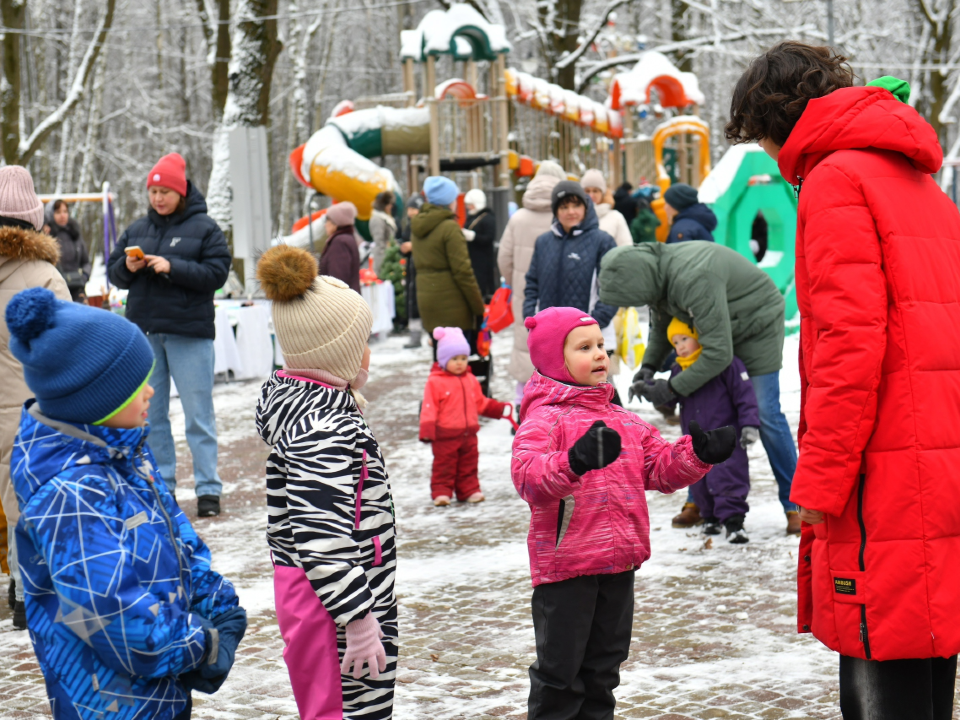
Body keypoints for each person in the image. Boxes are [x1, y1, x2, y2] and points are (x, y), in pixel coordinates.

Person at [727, 41, 960, 718]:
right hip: (936, 453)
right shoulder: (914, 178)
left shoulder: (836, 180)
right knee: (929, 641)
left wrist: (818, 485)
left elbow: (848, 348)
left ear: (777, 119)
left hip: (882, 467)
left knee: (881, 653)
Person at [6, 287, 246, 719]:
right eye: (137, 385)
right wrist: (200, 645)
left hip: (160, 688)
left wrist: (219, 604)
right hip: (110, 702)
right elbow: (114, 616)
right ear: (96, 399)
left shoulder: (124, 449)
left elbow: (177, 536)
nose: (152, 392)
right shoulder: (70, 492)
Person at [512, 306, 735, 720]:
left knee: (602, 672)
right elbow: (527, 477)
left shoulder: (623, 420)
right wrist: (574, 461)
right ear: (554, 360)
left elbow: (659, 467)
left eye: (601, 345)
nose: (600, 354)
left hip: (618, 566)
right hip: (566, 570)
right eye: (584, 348)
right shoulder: (544, 419)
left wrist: (698, 453)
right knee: (561, 676)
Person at [255, 244, 397, 719]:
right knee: (348, 712)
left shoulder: (312, 409)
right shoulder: (325, 431)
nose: (369, 354)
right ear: (336, 357)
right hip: (335, 611)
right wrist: (357, 619)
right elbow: (321, 537)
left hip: (331, 597)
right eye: (362, 343)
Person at [599, 240, 800, 535]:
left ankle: (796, 503)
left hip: (756, 327)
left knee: (765, 413)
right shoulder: (658, 278)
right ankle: (699, 501)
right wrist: (648, 368)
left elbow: (718, 354)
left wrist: (671, 389)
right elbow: (661, 326)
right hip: (715, 328)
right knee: (702, 415)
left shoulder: (694, 277)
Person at [107, 152, 231, 518]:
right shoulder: (135, 229)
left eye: (165, 191)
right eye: (153, 191)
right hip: (145, 333)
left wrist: (172, 266)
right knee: (152, 416)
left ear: (181, 191)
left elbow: (217, 275)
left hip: (189, 333)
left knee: (198, 414)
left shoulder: (206, 228)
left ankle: (208, 489)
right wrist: (128, 267)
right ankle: (164, 489)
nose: (158, 198)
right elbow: (115, 274)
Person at [0, 166, 71, 631]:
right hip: (28, 405)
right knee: (23, 498)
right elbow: (67, 346)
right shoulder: (45, 275)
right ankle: (27, 593)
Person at [663, 318, 759, 543]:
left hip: (726, 436)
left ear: (700, 337)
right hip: (695, 440)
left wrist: (749, 424)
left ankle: (734, 521)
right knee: (699, 479)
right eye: (675, 342)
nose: (681, 346)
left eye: (685, 339)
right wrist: (655, 391)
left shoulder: (726, 363)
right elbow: (669, 398)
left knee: (730, 476)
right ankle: (709, 517)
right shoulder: (678, 370)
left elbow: (745, 396)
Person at [497, 161, 565, 410]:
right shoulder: (565, 215)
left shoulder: (519, 218)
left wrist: (516, 279)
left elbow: (503, 259)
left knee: (524, 342)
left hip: (524, 292)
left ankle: (521, 403)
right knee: (559, 343)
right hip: (559, 292)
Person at [420, 326, 511, 507]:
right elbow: (429, 407)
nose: (460, 363)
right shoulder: (435, 381)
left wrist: (498, 409)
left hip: (469, 434)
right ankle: (442, 492)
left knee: (469, 465)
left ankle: (469, 490)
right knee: (444, 466)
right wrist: (427, 430)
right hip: (445, 435)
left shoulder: (470, 379)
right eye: (454, 359)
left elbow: (480, 402)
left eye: (463, 358)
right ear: (444, 359)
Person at [523, 182, 618, 334]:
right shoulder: (543, 242)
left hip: (590, 337)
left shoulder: (603, 241)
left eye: (576, 205)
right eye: (564, 207)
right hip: (550, 335)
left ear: (585, 207)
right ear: (556, 211)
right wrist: (533, 320)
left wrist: (592, 324)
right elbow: (532, 285)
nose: (570, 212)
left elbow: (613, 288)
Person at [411, 176, 485, 342]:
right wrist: (478, 308)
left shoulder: (418, 225)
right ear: (449, 201)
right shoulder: (449, 228)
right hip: (453, 307)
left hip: (427, 300)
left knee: (441, 360)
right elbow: (463, 272)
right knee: (458, 361)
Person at [46, 199, 90, 302]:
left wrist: (84, 277)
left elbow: (86, 262)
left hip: (78, 289)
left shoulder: (75, 234)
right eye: (58, 212)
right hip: (55, 291)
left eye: (65, 211)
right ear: (51, 214)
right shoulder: (46, 238)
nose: (62, 215)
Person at [580, 169, 631, 247]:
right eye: (587, 191)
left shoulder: (616, 217)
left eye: (595, 191)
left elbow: (626, 248)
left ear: (602, 193)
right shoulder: (575, 217)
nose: (591, 195)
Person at [318, 201, 361, 292]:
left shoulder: (339, 243)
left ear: (336, 222)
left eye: (327, 220)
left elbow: (337, 281)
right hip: (348, 301)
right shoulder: (347, 239)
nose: (325, 224)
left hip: (340, 303)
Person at [463, 188, 497, 299]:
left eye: (471, 204)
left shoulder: (488, 218)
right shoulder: (472, 217)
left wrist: (473, 237)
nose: (468, 207)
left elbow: (489, 238)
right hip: (473, 259)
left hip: (484, 261)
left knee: (483, 288)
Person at [400, 193, 424, 348]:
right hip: (411, 268)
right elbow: (404, 240)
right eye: (409, 209)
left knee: (419, 301)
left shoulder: (423, 225)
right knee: (412, 300)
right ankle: (415, 336)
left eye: (413, 208)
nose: (410, 212)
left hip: (421, 269)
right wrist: (404, 248)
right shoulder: (409, 225)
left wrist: (413, 246)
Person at [368, 191, 397, 276]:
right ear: (383, 205)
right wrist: (382, 267)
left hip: (390, 258)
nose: (391, 206)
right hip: (384, 261)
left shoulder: (386, 217)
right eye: (389, 204)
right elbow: (379, 244)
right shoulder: (377, 219)